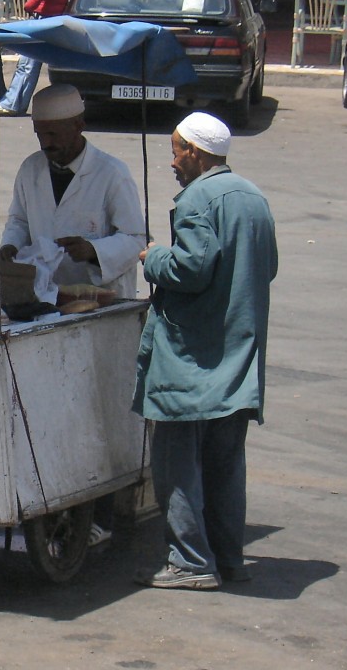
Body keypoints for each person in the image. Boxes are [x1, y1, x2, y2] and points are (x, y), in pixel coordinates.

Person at [132, 112, 277, 590]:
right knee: (224, 467)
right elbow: (267, 266)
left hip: (191, 356)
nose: (172, 162)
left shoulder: (196, 198)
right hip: (237, 354)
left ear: (195, 152)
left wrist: (153, 257)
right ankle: (228, 558)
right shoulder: (254, 197)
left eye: (176, 151)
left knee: (176, 463)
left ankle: (191, 562)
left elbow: (192, 269)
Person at [0, 84, 146, 544]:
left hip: (100, 306)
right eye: (40, 134)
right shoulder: (30, 170)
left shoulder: (111, 174)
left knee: (96, 409)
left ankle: (100, 512)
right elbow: (19, 220)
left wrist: (93, 249)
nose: (47, 143)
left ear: (79, 126)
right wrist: (7, 247)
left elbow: (136, 237)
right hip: (48, 303)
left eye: (55, 133)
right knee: (52, 409)